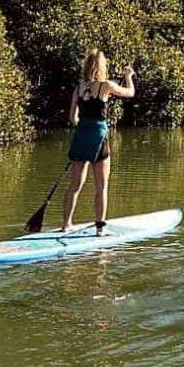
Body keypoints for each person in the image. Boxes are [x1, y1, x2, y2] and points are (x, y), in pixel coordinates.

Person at [62, 48, 135, 234]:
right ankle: (100, 229)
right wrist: (129, 76)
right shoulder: (106, 86)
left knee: (75, 184)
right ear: (102, 67)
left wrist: (83, 126)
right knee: (101, 186)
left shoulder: (79, 88)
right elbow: (130, 93)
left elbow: (72, 118)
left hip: (80, 137)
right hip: (98, 137)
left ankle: (66, 225)